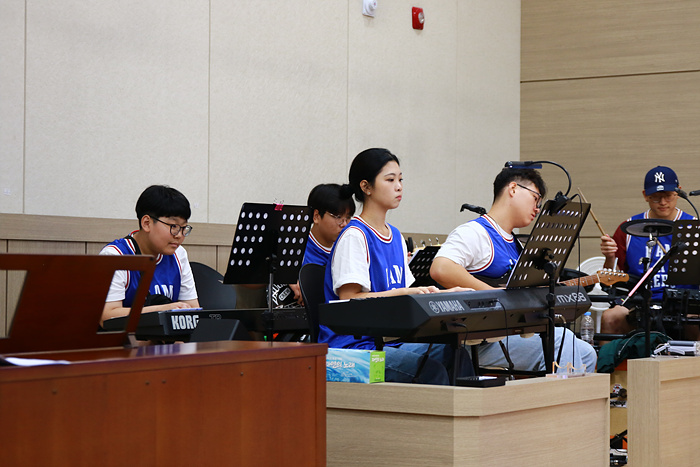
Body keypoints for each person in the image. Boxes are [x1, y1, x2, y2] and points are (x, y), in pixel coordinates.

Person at [320, 148, 473, 385]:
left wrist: (447, 295)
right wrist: (402, 293)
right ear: (366, 187)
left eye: (400, 180)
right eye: (390, 180)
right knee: (429, 371)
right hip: (354, 348)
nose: (399, 187)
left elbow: (411, 296)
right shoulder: (354, 236)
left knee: (456, 354)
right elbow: (348, 300)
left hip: (390, 341)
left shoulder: (396, 237)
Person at [430, 168, 597, 373]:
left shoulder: (516, 244)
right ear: (513, 189)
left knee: (587, 352)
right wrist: (495, 295)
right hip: (476, 341)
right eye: (535, 199)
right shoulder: (474, 232)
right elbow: (441, 268)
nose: (537, 208)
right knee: (563, 340)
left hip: (507, 335)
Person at [599, 166, 696, 335]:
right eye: (656, 197)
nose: (663, 202)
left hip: (684, 301)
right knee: (610, 317)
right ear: (645, 195)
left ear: (678, 192)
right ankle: (611, 354)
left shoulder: (694, 226)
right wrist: (609, 257)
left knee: (695, 319)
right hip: (639, 301)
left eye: (668, 196)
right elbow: (610, 280)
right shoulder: (627, 229)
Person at [100, 185, 199, 324]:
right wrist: (163, 311)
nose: (179, 235)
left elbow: (193, 310)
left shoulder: (179, 254)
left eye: (184, 228)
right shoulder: (116, 256)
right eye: (174, 226)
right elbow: (106, 317)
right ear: (147, 223)